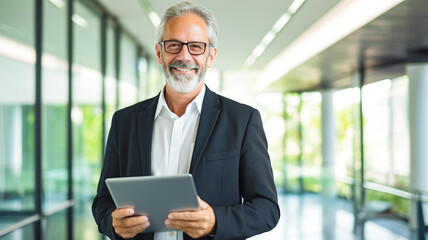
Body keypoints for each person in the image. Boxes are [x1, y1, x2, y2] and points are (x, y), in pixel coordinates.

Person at [92, 1, 280, 239]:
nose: (184, 56)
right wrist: (113, 223)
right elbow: (102, 203)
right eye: (174, 45)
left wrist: (215, 221)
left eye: (196, 46)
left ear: (210, 56)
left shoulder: (242, 121)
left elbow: (267, 209)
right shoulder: (125, 122)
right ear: (159, 53)